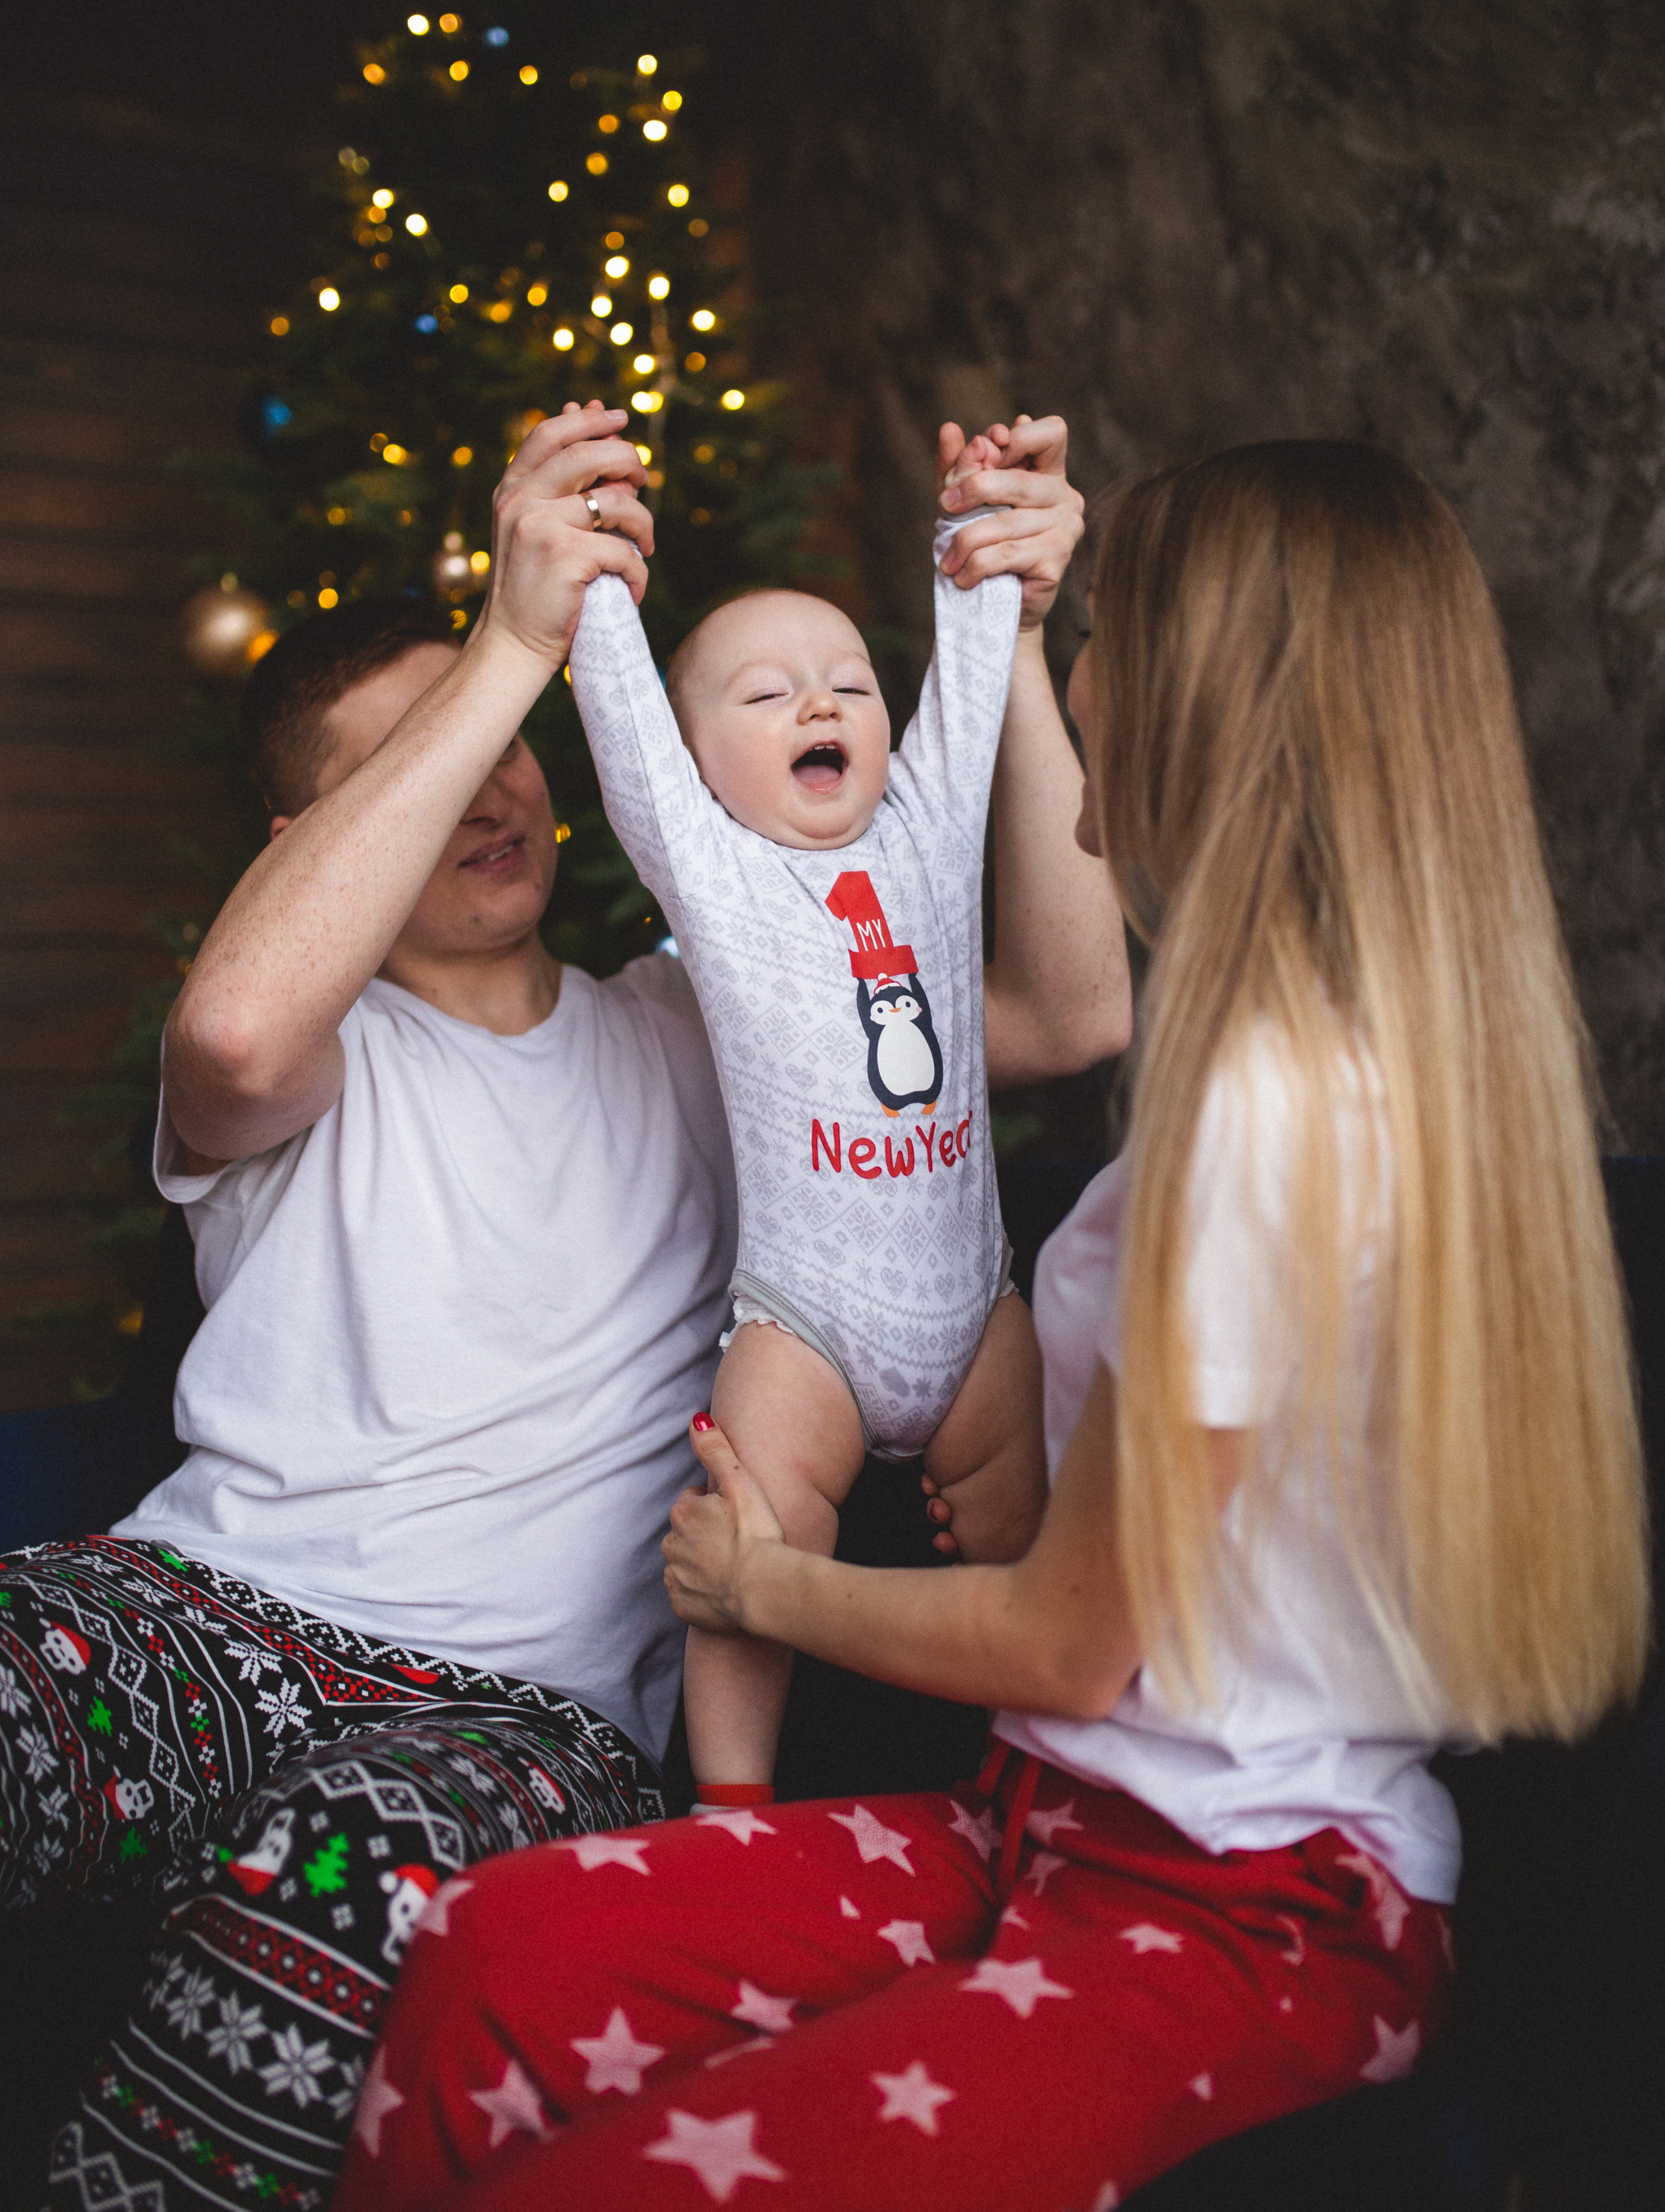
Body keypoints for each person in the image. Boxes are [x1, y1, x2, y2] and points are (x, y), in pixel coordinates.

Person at [334, 438, 1651, 2212]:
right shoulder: (1268, 1065)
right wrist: (991, 610)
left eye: (1099, 627)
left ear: (1198, 693)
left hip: (1249, 1898)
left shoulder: (1277, 1114)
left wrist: (761, 1587)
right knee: (499, 1952)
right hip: (1045, 1826)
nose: (1074, 659)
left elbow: (1074, 1645)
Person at [0, 401, 1128, 2212]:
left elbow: (1071, 1019)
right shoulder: (300, 1063)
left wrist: (1031, 628)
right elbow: (225, 1029)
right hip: (202, 1611)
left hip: (520, 1717)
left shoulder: (707, 1026)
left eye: (511, 741)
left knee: (348, 1865)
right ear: (322, 834)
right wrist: (511, 638)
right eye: (431, 760)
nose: (498, 780)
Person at [567, 421, 1050, 1815]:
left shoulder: (924, 829)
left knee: (1020, 1532)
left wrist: (974, 535)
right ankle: (729, 1805)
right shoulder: (711, 876)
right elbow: (623, 731)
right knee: (752, 1541)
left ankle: (1026, 1775)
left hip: (976, 1308)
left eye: (845, 683)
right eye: (766, 695)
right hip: (808, 1323)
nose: (818, 705)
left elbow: (966, 691)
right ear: (699, 764)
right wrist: (598, 576)